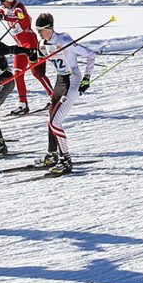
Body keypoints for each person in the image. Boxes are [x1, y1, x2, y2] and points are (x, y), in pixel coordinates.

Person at [32, 13, 98, 175]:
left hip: (73, 81)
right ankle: (52, 154)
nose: (38, 33)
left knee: (55, 122)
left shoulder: (64, 40)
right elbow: (39, 66)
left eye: (41, 30)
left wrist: (86, 78)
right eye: (37, 30)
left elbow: (91, 55)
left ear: (49, 28)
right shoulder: (42, 44)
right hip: (60, 81)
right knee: (51, 118)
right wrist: (33, 60)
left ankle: (66, 160)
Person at [0, 0, 49, 114]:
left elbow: (22, 18)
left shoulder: (18, 7)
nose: (1, 4)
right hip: (20, 46)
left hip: (30, 44)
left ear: (9, 0)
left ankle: (53, 96)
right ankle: (23, 104)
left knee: (36, 73)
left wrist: (4, 17)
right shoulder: (5, 9)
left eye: (3, 2)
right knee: (17, 74)